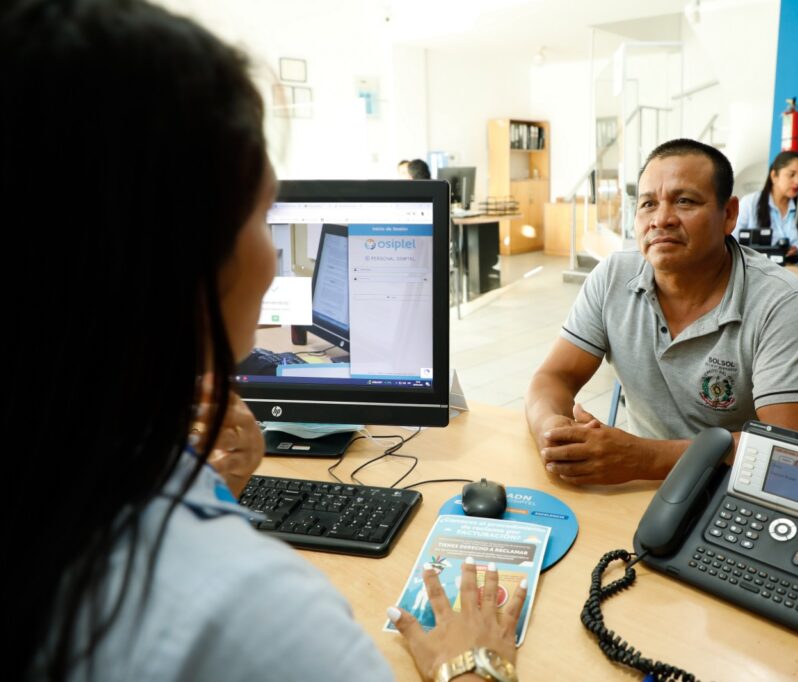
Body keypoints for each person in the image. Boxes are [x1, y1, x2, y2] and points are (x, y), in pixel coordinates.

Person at [5, 1, 525, 680]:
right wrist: (476, 663)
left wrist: (212, 492)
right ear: (189, 254)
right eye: (261, 213)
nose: (273, 258)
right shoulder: (259, 616)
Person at [525, 139, 798, 486]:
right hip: (638, 485)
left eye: (685, 201)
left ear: (729, 214)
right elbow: (552, 378)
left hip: (734, 490)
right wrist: (550, 430)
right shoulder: (613, 277)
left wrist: (643, 457)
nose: (661, 219)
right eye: (648, 204)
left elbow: (789, 452)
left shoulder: (782, 301)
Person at [732, 151, 798, 258]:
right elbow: (732, 240)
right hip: (758, 268)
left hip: (796, 268)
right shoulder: (749, 203)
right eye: (791, 175)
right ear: (774, 176)